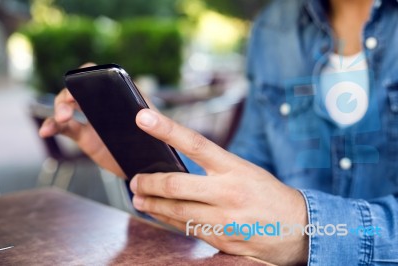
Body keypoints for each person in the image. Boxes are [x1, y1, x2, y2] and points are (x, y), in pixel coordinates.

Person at [39, 0, 398, 265]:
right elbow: (246, 180)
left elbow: (286, 221)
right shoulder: (273, 27)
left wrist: (306, 229)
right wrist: (152, 160)